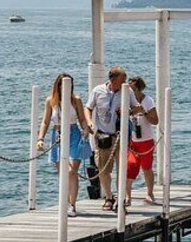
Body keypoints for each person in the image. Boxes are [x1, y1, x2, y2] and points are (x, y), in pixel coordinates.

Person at [85, 66, 143, 211]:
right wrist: (90, 122)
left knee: (122, 168)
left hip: (120, 135)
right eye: (122, 79)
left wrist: (128, 111)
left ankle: (121, 199)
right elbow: (88, 108)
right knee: (103, 169)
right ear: (113, 79)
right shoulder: (98, 90)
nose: (125, 83)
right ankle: (109, 197)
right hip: (103, 135)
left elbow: (138, 108)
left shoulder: (127, 91)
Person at [36, 73, 93, 217]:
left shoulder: (76, 100)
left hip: (74, 133)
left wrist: (86, 128)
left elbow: (81, 119)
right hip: (57, 134)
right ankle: (66, 202)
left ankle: (72, 204)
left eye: (70, 84)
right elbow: (45, 121)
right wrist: (40, 138)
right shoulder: (51, 101)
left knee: (71, 171)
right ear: (58, 85)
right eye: (63, 84)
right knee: (63, 173)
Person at [125, 76, 160, 205]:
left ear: (138, 89)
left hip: (146, 140)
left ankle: (150, 193)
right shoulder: (126, 100)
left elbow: (155, 121)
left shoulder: (148, 101)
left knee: (147, 168)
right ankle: (128, 196)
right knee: (130, 167)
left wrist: (143, 112)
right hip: (132, 141)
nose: (130, 91)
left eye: (132, 88)